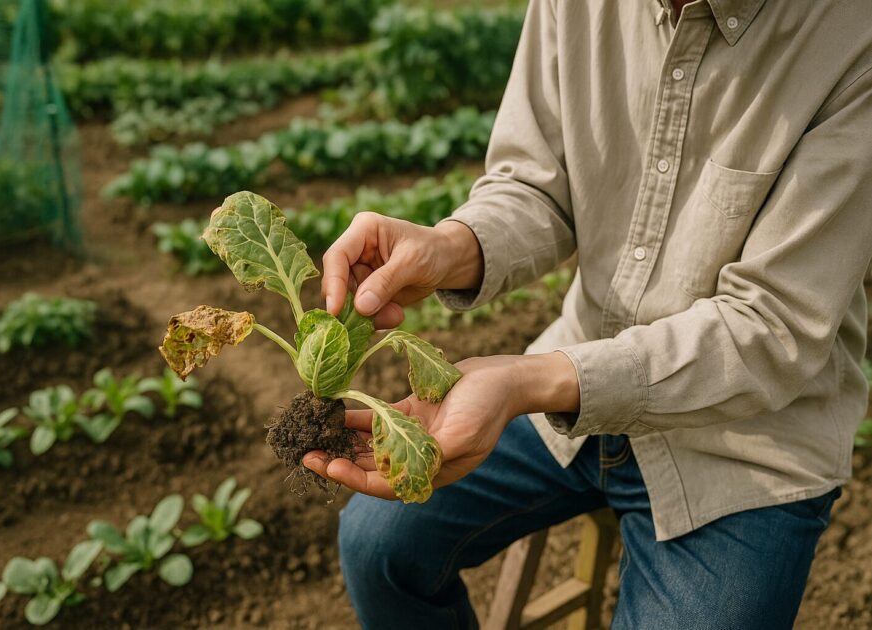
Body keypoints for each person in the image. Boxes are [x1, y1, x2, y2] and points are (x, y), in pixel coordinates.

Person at [302, 0, 872, 628]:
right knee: (378, 547)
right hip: (570, 379)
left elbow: (772, 326)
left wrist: (527, 381)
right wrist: (452, 247)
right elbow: (538, 185)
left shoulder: (853, 39)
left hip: (746, 447)